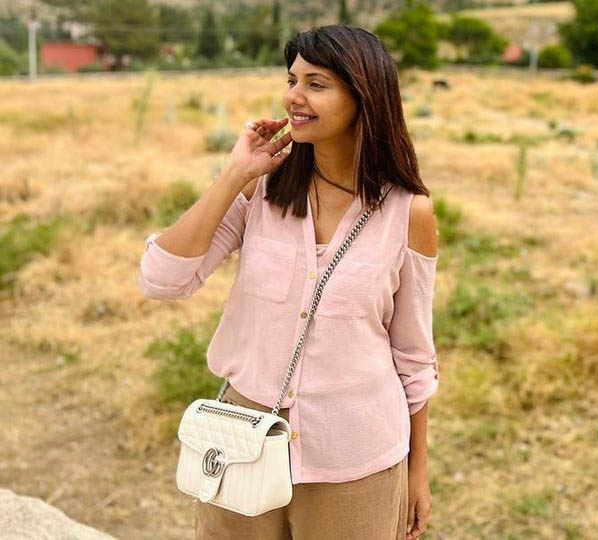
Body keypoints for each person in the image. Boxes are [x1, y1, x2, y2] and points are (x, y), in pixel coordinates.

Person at [137, 25, 438, 540]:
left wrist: (417, 471)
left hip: (356, 461)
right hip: (240, 448)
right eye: (292, 80)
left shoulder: (409, 213)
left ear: (363, 96)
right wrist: (235, 174)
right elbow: (161, 281)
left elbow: (413, 356)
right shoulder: (262, 191)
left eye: (315, 84)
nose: (293, 96)